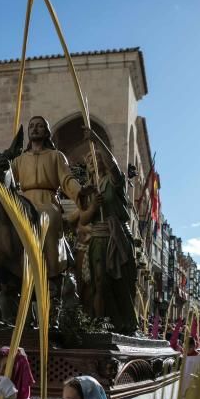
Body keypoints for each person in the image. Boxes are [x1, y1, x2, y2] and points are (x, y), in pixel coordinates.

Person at [11, 116, 82, 326]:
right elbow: (6, 178)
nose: (34, 129)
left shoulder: (56, 156)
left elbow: (67, 180)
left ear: (46, 132)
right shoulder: (18, 160)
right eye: (31, 126)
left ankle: (52, 272)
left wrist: (80, 192)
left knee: (48, 219)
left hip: (47, 202)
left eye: (40, 126)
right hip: (23, 202)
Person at [79, 127, 137, 334]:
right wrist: (93, 206)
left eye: (97, 158)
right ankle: (100, 323)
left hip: (116, 237)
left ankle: (124, 323)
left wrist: (96, 140)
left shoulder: (114, 182)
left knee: (120, 283)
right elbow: (82, 219)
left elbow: (114, 166)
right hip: (97, 239)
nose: (94, 162)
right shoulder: (89, 190)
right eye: (90, 160)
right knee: (99, 283)